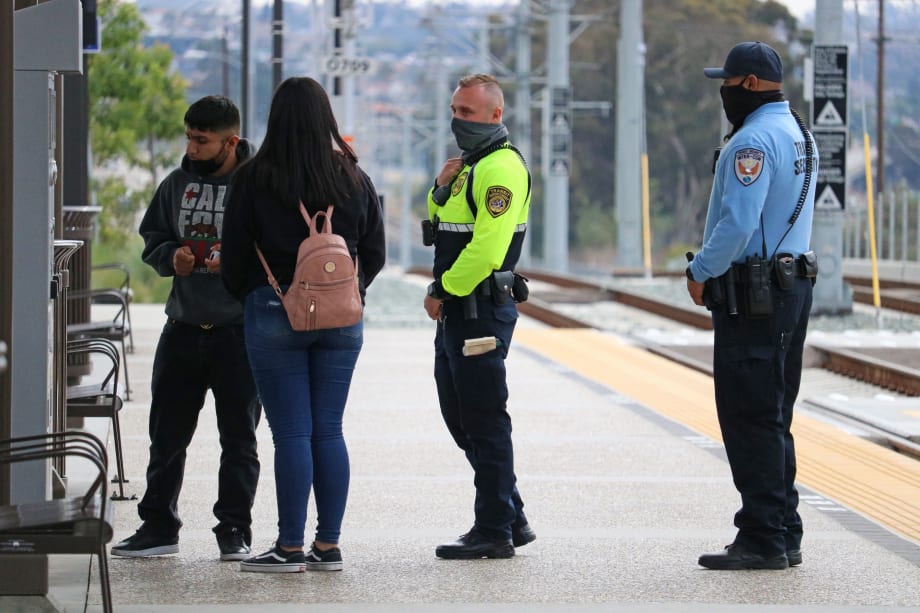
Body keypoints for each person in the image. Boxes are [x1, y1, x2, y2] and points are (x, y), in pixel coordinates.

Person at [220, 76, 386, 573]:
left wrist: (257, 296)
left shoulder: (253, 177)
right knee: (328, 430)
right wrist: (344, 296)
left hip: (274, 314)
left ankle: (289, 547)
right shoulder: (353, 178)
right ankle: (328, 546)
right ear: (325, 119)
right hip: (341, 319)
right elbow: (374, 254)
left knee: (290, 433)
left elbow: (232, 260)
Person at [687, 41, 819, 570]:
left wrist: (700, 271)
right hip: (790, 288)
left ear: (746, 85)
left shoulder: (755, 141)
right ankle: (784, 529)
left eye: (727, 82)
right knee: (775, 412)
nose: (722, 91)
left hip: (756, 295)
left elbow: (738, 224)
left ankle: (763, 535)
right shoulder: (797, 132)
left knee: (749, 414)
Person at [112, 95, 262, 561]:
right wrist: (168, 257)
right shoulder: (176, 184)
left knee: (239, 438)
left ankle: (234, 529)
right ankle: (158, 526)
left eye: (203, 140)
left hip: (238, 332)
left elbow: (276, 248)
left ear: (230, 141)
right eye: (189, 138)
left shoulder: (258, 185)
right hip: (181, 327)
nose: (193, 148)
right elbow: (152, 237)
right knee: (167, 435)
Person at [423, 73, 535, 560]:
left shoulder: (502, 169)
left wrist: (441, 289)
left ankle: (494, 530)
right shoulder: (469, 166)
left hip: (479, 310)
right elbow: (439, 222)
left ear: (496, 114)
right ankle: (511, 514)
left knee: (484, 420)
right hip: (459, 314)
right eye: (454, 110)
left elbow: (487, 248)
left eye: (467, 112)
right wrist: (440, 185)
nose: (457, 120)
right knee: (459, 414)